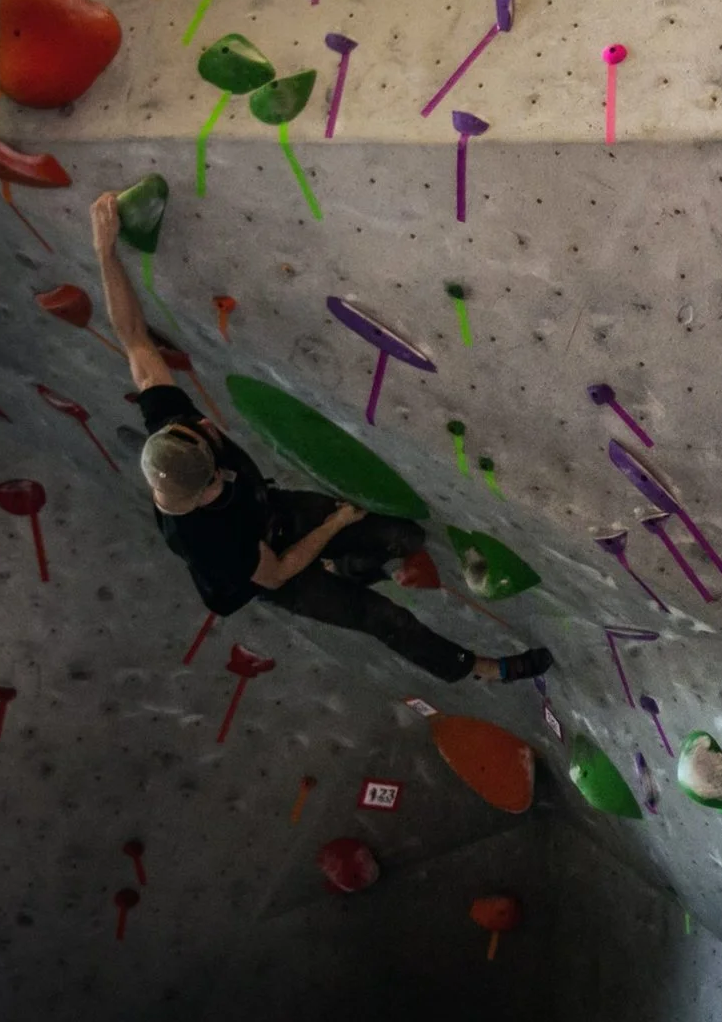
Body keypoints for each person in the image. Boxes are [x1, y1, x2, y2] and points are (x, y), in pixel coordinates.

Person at [88, 193, 551, 684]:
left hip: (272, 510)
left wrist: (105, 253)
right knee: (382, 619)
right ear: (196, 500)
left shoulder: (172, 426)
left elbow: (133, 336)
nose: (208, 433)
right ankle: (481, 669)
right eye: (213, 485)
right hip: (268, 570)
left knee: (405, 537)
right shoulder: (210, 544)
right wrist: (333, 525)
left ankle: (346, 566)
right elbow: (279, 571)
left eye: (201, 440)